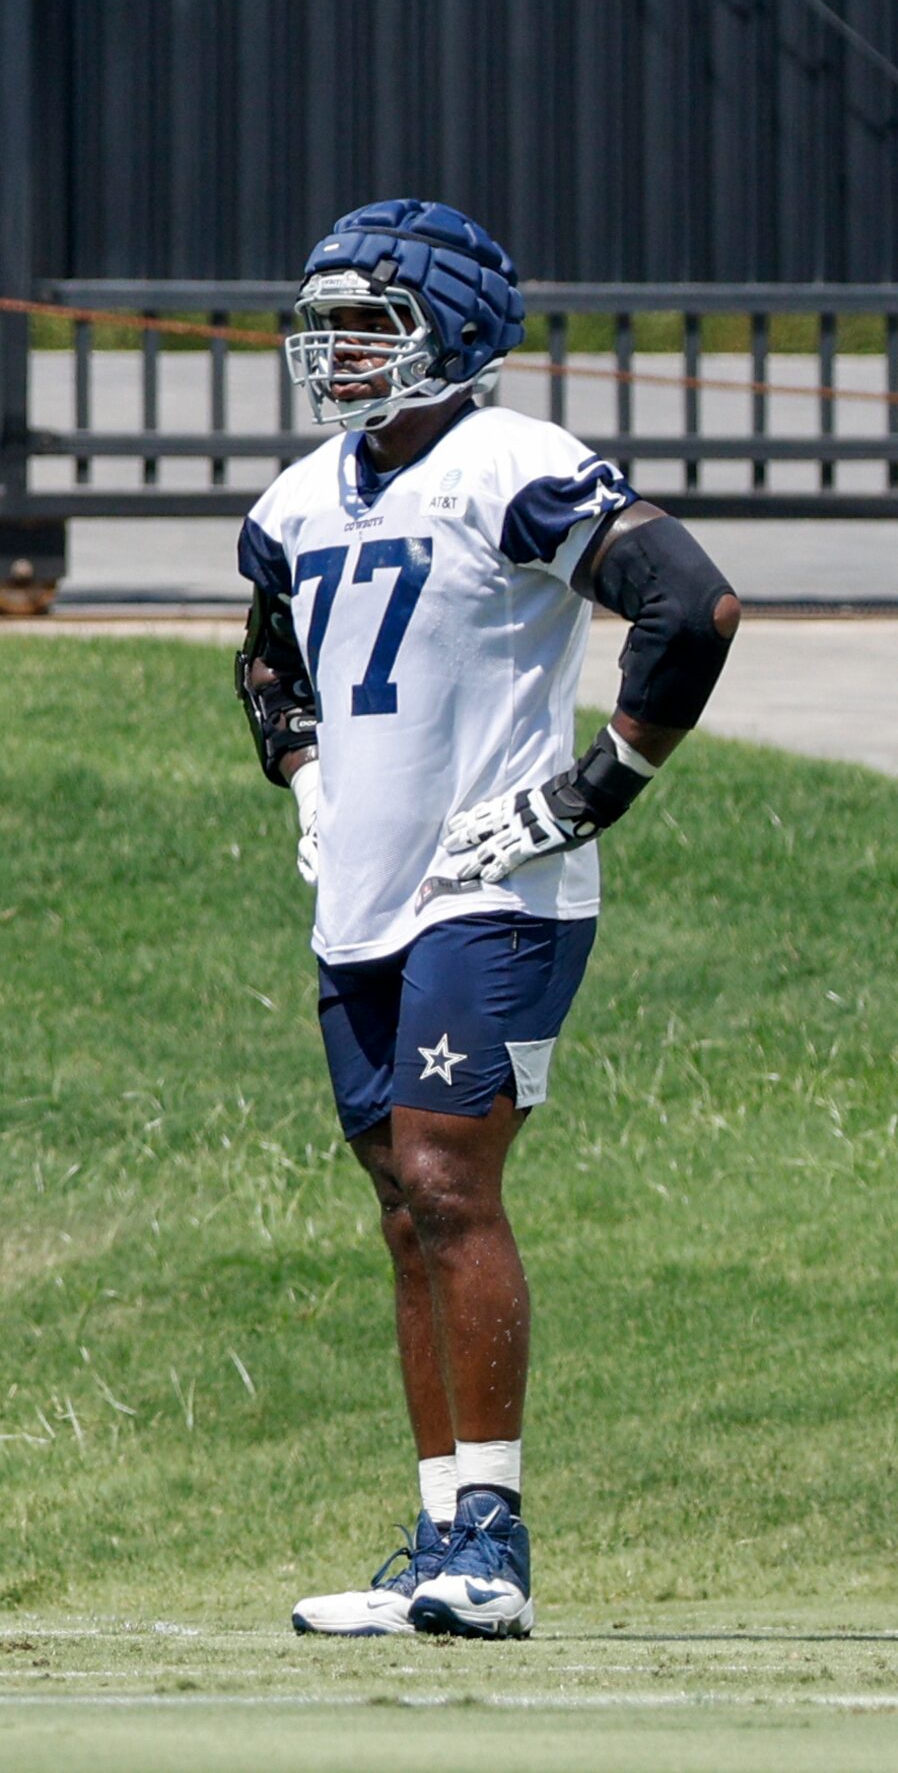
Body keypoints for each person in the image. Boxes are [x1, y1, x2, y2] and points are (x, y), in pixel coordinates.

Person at [236, 199, 739, 1640]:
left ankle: (496, 1542)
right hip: (362, 889)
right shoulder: (292, 501)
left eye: (365, 324)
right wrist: (307, 773)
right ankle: (436, 1535)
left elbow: (688, 603)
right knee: (402, 1209)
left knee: (450, 1185)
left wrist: (595, 788)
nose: (332, 352)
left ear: (449, 333)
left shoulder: (508, 463)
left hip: (494, 883)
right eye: (320, 325)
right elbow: (268, 663)